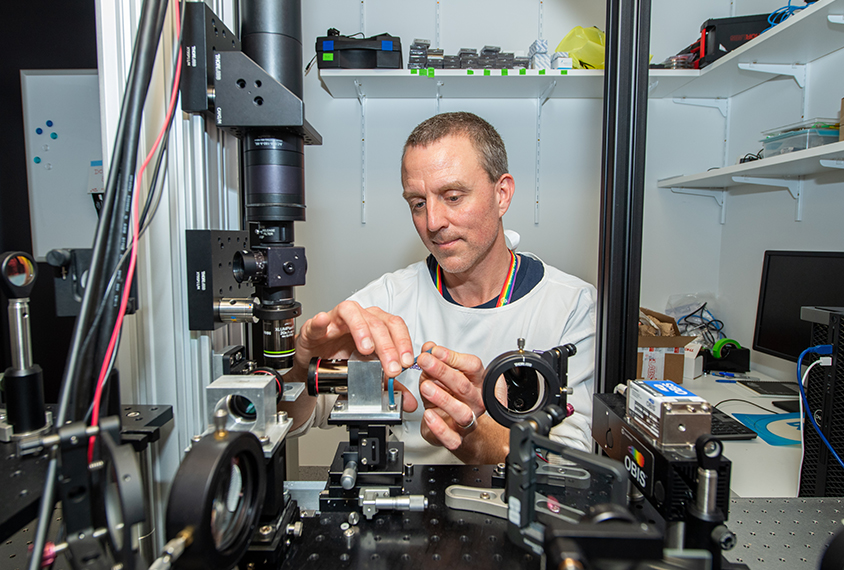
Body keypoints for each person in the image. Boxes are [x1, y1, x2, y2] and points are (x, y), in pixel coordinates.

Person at [282, 112, 596, 465]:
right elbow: (294, 421)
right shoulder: (384, 302)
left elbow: (575, 463)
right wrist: (301, 369)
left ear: (502, 194)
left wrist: (479, 438)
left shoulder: (570, 305)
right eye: (418, 203)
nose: (433, 222)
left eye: (453, 196)